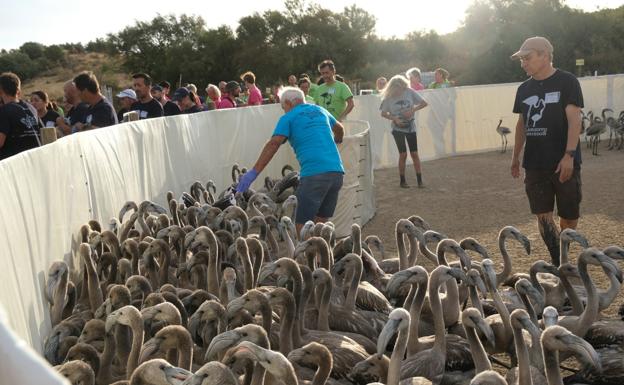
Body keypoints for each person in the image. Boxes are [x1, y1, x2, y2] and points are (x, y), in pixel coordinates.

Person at [510, 36, 584, 267]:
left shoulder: (567, 82)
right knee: (543, 215)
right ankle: (558, 261)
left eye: (527, 57)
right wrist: (515, 157)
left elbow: (575, 119)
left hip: (563, 160)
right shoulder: (523, 89)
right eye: (521, 59)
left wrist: (569, 155)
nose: (523, 63)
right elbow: (522, 123)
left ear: (544, 55)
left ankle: (564, 248)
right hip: (534, 163)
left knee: (569, 216)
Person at [236, 87, 345, 235]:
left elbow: (274, 144)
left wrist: (253, 172)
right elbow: (340, 129)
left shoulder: (288, 117)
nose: (284, 111)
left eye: (283, 107)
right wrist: (337, 140)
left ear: (288, 103)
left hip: (314, 174)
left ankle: (309, 257)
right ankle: (321, 256)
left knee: (302, 224)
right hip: (336, 172)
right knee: (320, 223)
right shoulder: (320, 110)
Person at [380, 75, 429, 188]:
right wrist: (395, 119)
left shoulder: (409, 91)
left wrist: (412, 110)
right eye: (397, 90)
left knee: (414, 154)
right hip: (397, 129)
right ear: (392, 88)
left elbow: (424, 103)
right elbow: (383, 114)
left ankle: (420, 181)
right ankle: (402, 181)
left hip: (410, 127)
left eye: (402, 89)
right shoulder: (388, 97)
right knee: (403, 154)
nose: (400, 92)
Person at [0, 72, 42, 160]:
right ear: (18, 90)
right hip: (34, 160)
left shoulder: (4, 111)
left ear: (1, 90)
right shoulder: (31, 108)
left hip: (14, 165)